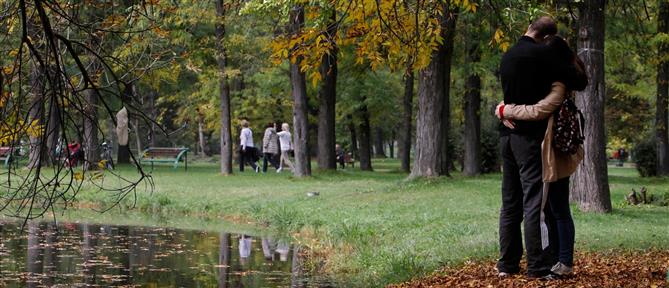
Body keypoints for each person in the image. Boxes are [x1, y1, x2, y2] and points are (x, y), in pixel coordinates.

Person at [496, 34, 588, 277]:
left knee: (558, 209)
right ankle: (554, 259)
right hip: (547, 151)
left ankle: (563, 262)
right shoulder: (548, 78)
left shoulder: (559, 84)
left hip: (556, 154)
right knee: (549, 208)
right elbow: (524, 95)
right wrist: (502, 106)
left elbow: (539, 110)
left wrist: (506, 109)